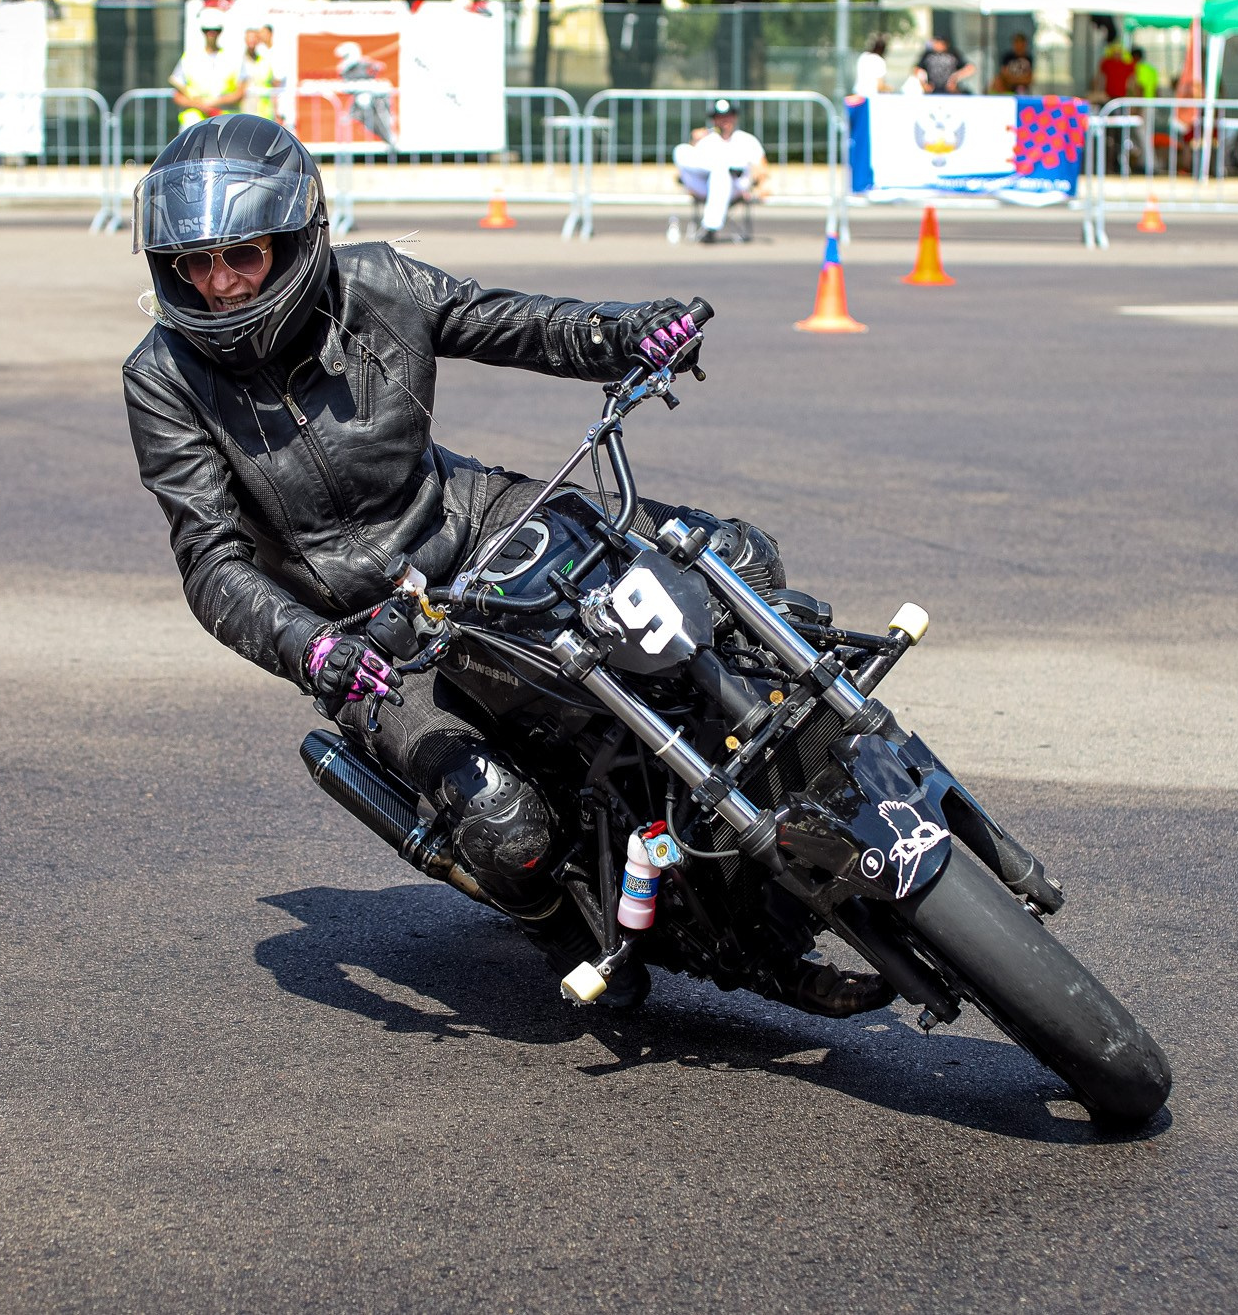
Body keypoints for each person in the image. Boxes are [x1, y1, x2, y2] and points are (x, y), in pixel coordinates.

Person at [122, 114, 891, 1019]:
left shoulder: (379, 284)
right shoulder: (162, 376)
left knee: (734, 562)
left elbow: (513, 323)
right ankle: (593, 932)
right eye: (193, 264)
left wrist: (628, 334)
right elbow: (210, 560)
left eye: (240, 255)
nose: (217, 286)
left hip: (480, 522)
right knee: (506, 830)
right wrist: (312, 651)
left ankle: (812, 784)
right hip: (365, 629)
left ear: (295, 240)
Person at [672, 99, 768, 243]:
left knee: (721, 174)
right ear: (714, 119)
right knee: (681, 150)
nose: (724, 121)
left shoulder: (746, 140)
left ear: (734, 117)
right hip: (707, 184)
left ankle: (711, 227)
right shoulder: (707, 140)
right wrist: (694, 141)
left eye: (727, 116)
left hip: (736, 186)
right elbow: (688, 166)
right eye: (720, 117)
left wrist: (760, 187)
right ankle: (722, 167)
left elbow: (762, 167)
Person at [170, 12, 244, 130]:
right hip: (193, 124)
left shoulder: (233, 58)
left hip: (225, 122)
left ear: (220, 31)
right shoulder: (190, 58)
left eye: (215, 30)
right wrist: (198, 105)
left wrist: (212, 104)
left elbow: (240, 93)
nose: (211, 34)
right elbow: (177, 95)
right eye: (207, 30)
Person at [1096, 41, 1135, 106]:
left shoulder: (1127, 64)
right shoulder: (1106, 63)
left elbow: (1131, 80)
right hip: (1108, 95)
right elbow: (1101, 78)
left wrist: (1130, 93)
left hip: (1123, 96)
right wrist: (1099, 91)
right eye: (1115, 51)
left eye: (1119, 51)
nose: (1117, 53)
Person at [853, 34, 889, 99]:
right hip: (872, 98)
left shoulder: (863, 56)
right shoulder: (879, 61)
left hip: (858, 96)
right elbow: (880, 86)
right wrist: (890, 89)